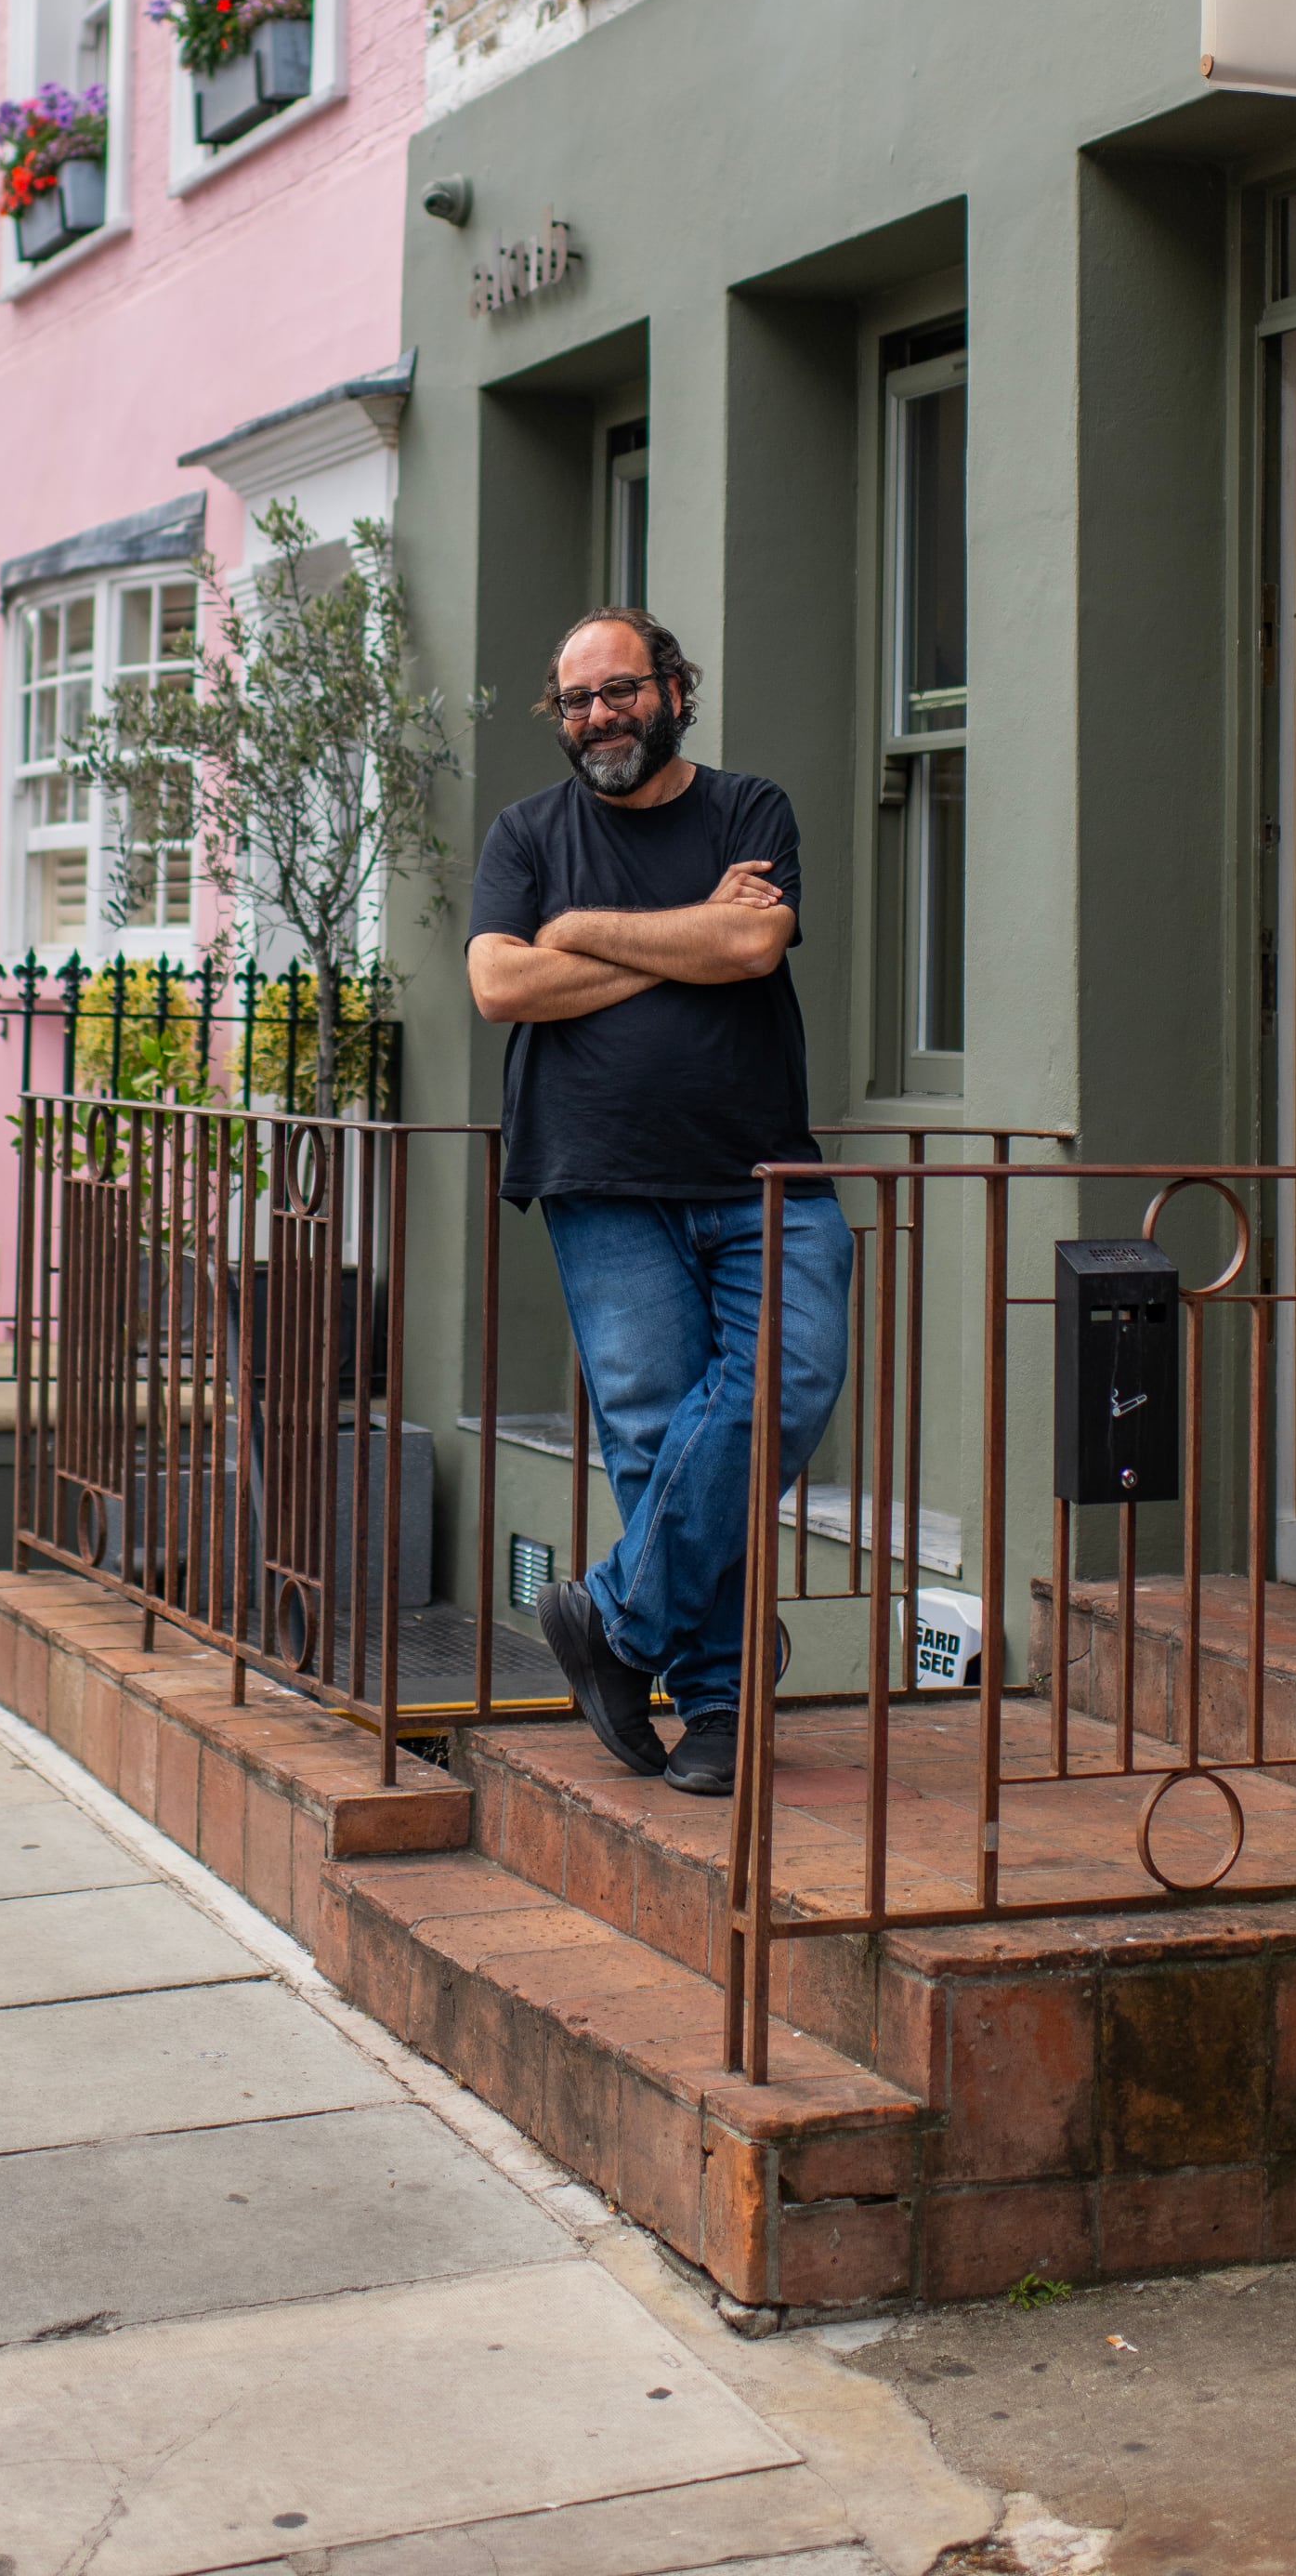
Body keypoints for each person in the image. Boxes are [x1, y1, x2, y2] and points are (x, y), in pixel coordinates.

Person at [465, 606, 853, 1795]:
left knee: (784, 1383)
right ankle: (724, 1706)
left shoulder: (751, 810)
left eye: (618, 691)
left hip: (761, 1167)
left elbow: (753, 949)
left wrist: (580, 935)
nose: (596, 720)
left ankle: (615, 1624)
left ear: (675, 686)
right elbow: (499, 982)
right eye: (574, 703)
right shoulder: (528, 833)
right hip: (601, 1179)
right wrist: (671, 932)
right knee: (654, 1436)